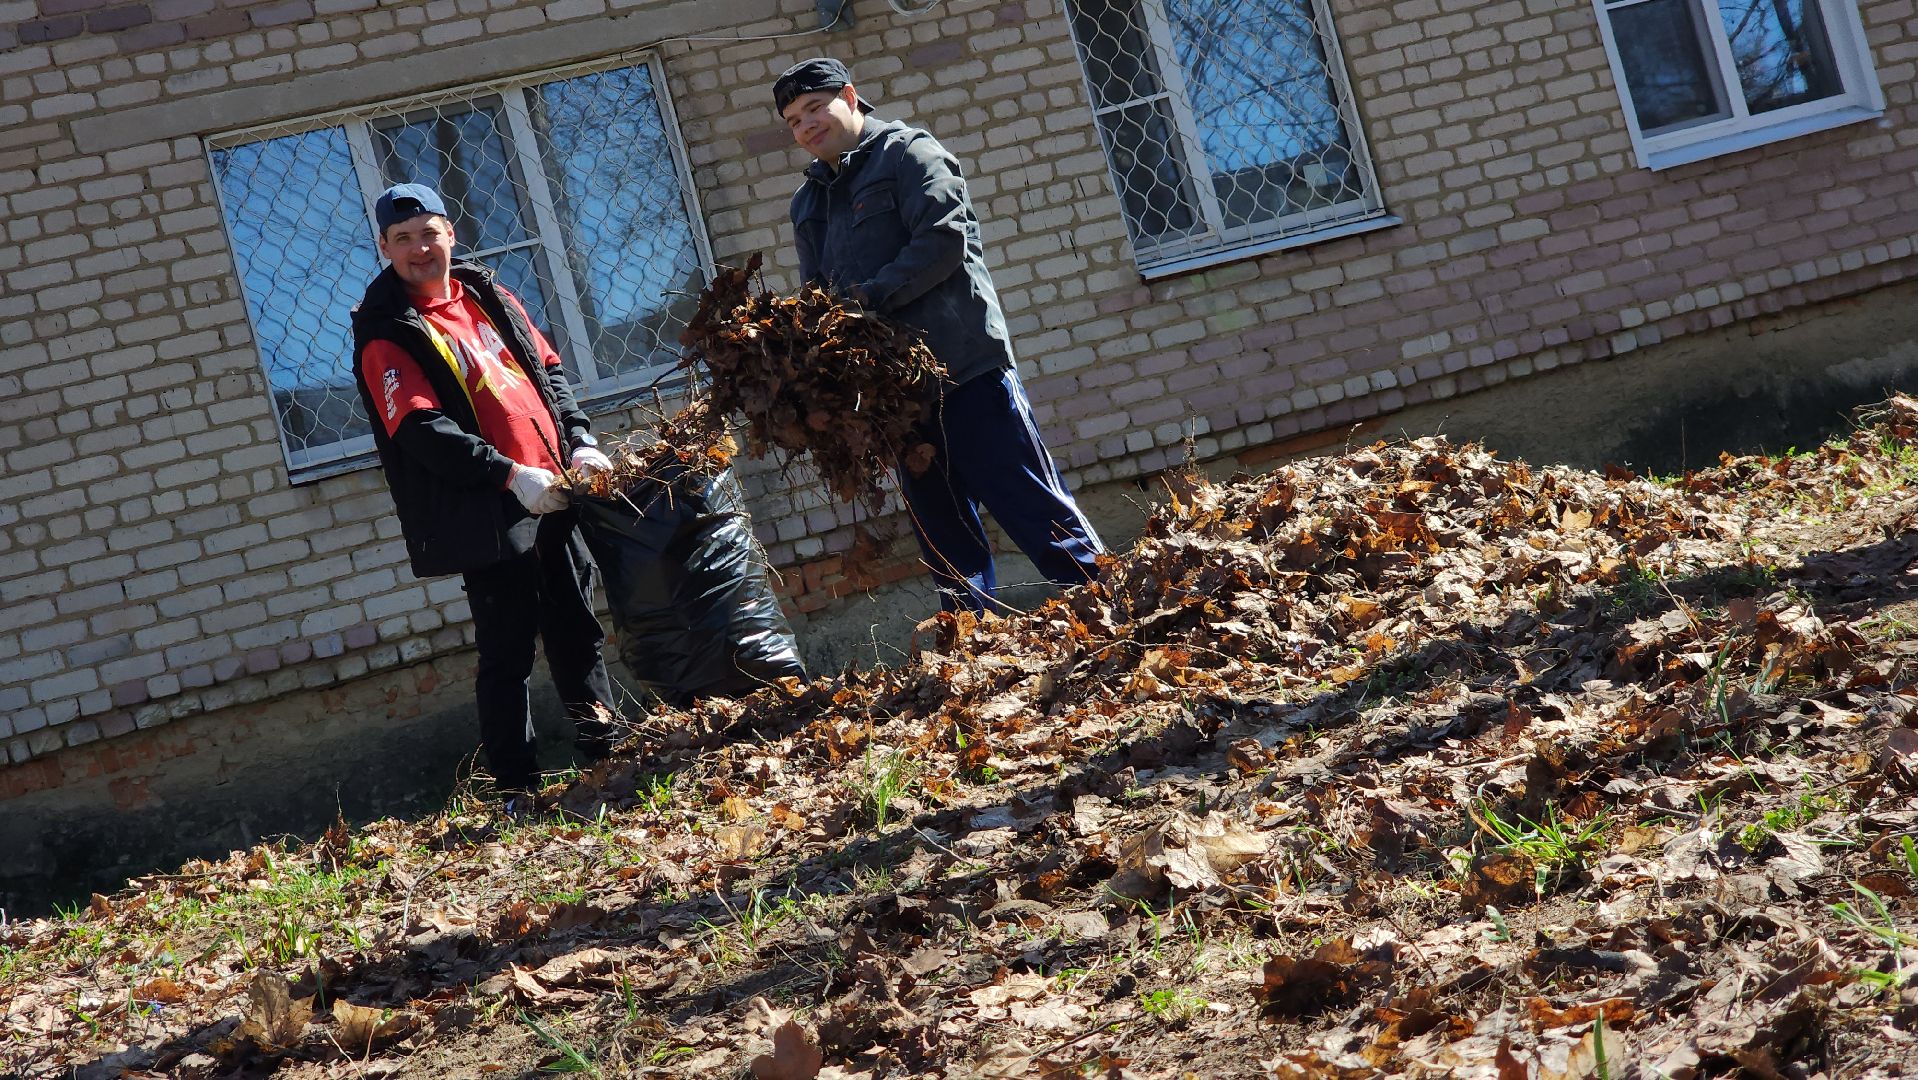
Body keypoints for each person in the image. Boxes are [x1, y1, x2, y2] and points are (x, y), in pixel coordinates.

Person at [774, 57, 1105, 614]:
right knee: (945, 541)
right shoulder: (807, 203)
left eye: (814, 108)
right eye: (793, 121)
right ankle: (972, 646)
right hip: (895, 397)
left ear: (849, 98)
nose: (806, 126)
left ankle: (1118, 613)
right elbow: (817, 296)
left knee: (1033, 508)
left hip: (964, 368)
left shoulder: (909, 154)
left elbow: (944, 239)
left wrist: (869, 299)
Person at [350, 182, 622, 812]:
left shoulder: (489, 295)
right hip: (491, 511)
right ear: (385, 248)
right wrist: (509, 476)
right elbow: (420, 429)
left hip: (555, 491)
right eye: (403, 239)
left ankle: (607, 758)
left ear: (450, 233)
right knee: (508, 652)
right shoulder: (386, 330)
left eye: (429, 233)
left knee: (578, 632)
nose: (420, 248)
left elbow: (548, 371)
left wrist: (580, 441)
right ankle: (516, 789)